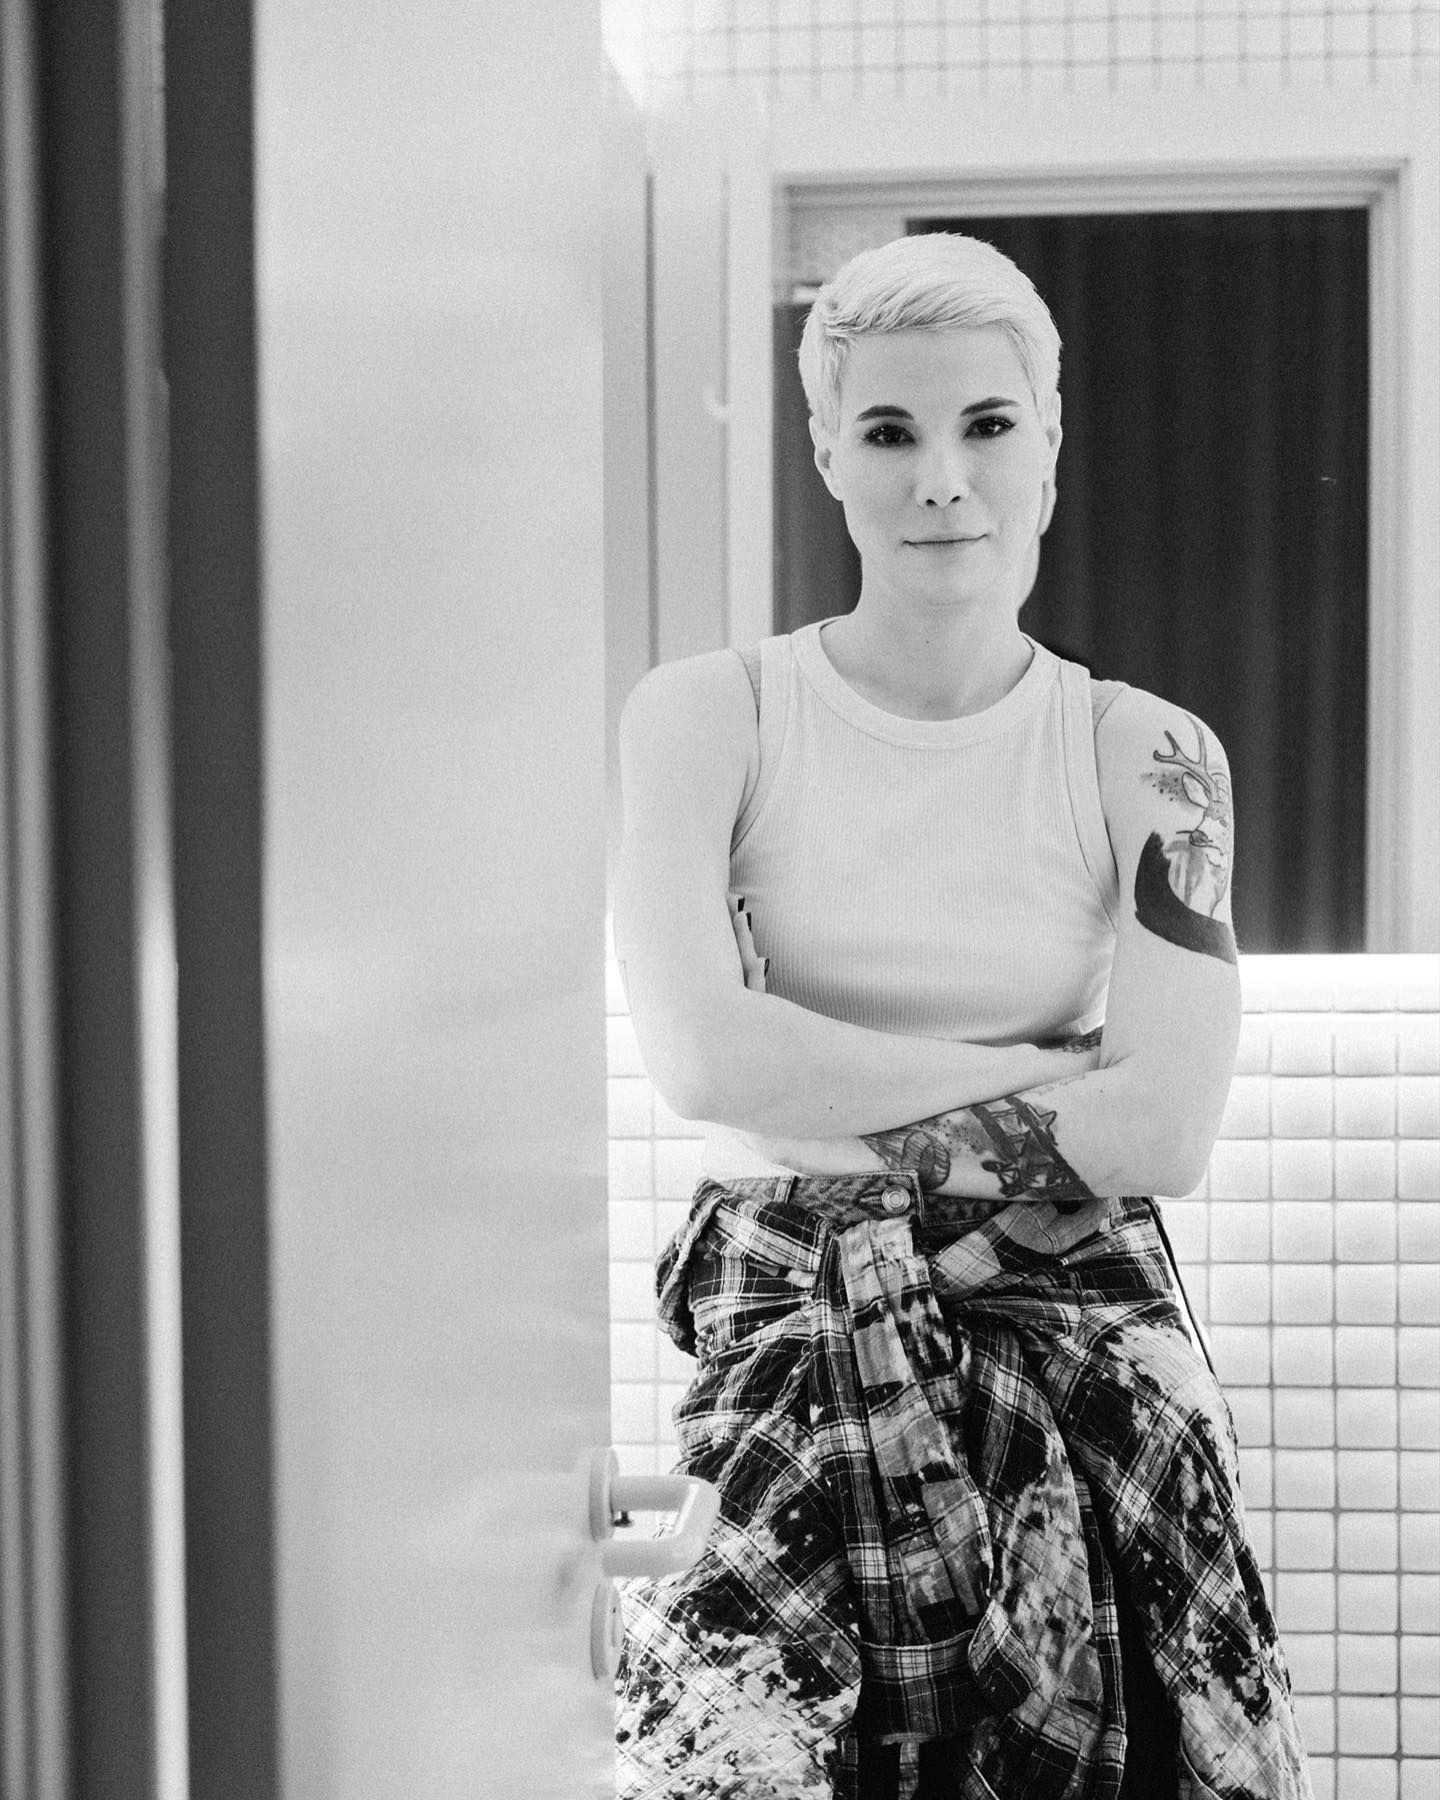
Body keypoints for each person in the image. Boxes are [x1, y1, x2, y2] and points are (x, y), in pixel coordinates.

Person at [611, 233, 1311, 1800]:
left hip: (1083, 1332)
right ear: (827, 457)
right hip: (795, 1320)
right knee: (736, 1742)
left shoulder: (1153, 757)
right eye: (890, 432)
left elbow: (1164, 1129)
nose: (943, 481)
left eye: (987, 424)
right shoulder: (709, 717)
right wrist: (1055, 1081)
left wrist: (813, 1103)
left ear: (1049, 443)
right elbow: (703, 1057)